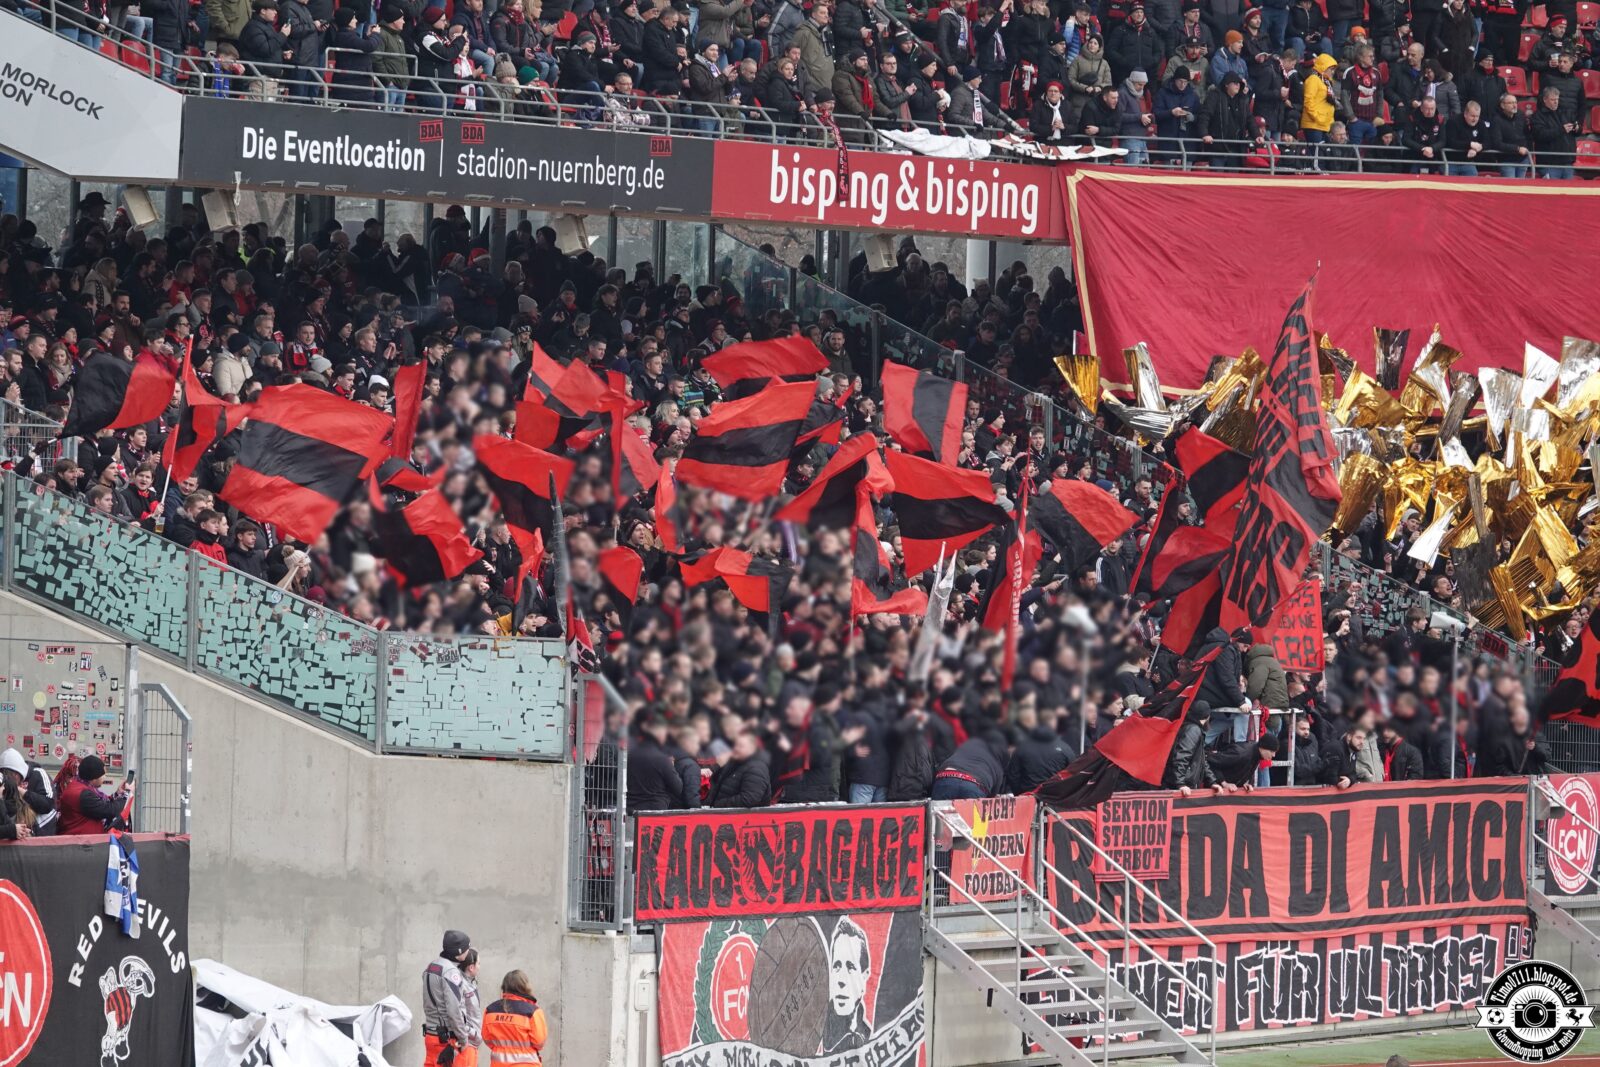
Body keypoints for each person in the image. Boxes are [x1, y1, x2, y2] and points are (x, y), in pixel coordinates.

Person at [424, 930, 473, 1065]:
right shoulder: (451, 972)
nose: (468, 951)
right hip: (446, 1041)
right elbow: (454, 1010)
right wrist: (463, 1039)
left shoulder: (431, 967)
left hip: (431, 1035)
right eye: (466, 948)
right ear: (459, 951)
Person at [823, 917, 872, 1053]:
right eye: (836, 966)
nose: (841, 980)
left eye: (850, 967)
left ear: (864, 975)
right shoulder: (816, 1033)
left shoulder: (869, 1036)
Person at [482, 970, 549, 1066]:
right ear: (525, 986)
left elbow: (487, 1039)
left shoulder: (490, 1010)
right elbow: (539, 1042)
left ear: (504, 987)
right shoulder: (533, 1011)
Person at [56, 755, 130, 835]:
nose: (105, 777)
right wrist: (126, 794)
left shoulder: (79, 786)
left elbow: (101, 803)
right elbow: (109, 810)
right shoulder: (83, 795)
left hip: (82, 838)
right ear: (94, 777)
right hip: (80, 839)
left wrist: (118, 793)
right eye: (103, 775)